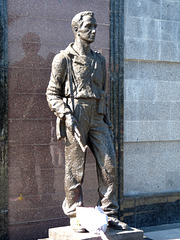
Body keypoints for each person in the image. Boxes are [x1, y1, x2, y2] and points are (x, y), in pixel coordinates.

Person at [46, 11, 128, 232]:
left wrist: (107, 121)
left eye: (95, 27)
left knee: (109, 164)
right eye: (89, 27)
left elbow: (103, 93)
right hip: (75, 113)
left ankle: (109, 213)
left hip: (97, 116)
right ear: (76, 30)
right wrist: (66, 114)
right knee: (75, 169)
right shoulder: (63, 59)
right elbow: (52, 93)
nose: (93, 31)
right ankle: (75, 213)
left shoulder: (99, 59)